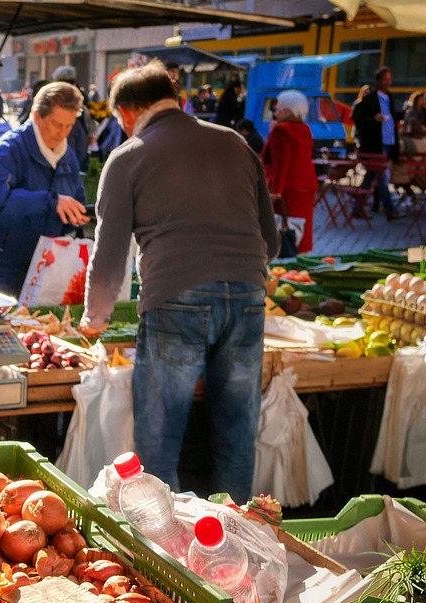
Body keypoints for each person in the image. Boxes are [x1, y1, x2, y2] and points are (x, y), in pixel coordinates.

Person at [81, 60, 279, 501]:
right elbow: (272, 240)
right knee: (236, 431)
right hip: (248, 295)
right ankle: (238, 543)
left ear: (128, 112)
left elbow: (109, 255)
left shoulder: (129, 156)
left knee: (160, 435)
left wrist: (94, 319)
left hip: (176, 299)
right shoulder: (235, 143)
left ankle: (166, 552)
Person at [0, 82, 89, 291]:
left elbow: (76, 199)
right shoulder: (8, 150)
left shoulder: (68, 157)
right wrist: (50, 202)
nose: (62, 133)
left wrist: (74, 217)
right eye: (56, 124)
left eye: (69, 126)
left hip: (37, 269)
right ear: (37, 116)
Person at [262, 90, 318, 255]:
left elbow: (281, 162)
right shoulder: (305, 129)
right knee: (302, 231)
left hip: (287, 187)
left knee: (283, 229)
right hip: (306, 185)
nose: (276, 112)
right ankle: (301, 260)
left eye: (279, 108)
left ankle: (284, 263)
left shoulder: (280, 131)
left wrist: (275, 190)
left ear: (288, 111)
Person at [351, 67, 399, 219]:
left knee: (373, 176)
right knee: (381, 176)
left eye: (389, 79)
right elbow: (357, 118)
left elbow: (393, 117)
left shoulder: (389, 97)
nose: (387, 82)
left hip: (387, 141)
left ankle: (358, 207)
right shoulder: (370, 98)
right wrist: (373, 119)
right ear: (378, 81)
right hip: (375, 144)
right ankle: (389, 210)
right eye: (384, 79)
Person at [53, 65, 98, 171]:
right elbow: (91, 116)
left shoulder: (54, 94)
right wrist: (92, 133)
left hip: (64, 131)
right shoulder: (80, 93)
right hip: (79, 132)